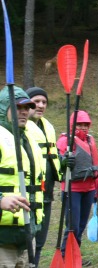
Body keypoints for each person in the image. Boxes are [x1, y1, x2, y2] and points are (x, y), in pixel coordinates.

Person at [0, 86, 44, 267]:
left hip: (27, 233)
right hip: (3, 239)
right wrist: (0, 199)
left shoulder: (29, 140)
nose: (24, 112)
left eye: (27, 108)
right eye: (18, 107)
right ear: (4, 109)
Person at [57, 110, 98, 266]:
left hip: (89, 189)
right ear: (72, 125)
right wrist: (64, 160)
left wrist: (97, 189)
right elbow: (58, 163)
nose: (83, 127)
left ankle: (75, 256)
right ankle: (64, 257)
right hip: (72, 190)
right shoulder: (65, 141)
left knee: (81, 225)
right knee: (73, 226)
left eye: (85, 125)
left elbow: (94, 167)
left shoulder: (90, 140)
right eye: (79, 124)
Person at [25, 87, 62, 266]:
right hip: (27, 195)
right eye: (35, 101)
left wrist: (63, 161)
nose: (40, 105)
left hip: (45, 193)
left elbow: (50, 158)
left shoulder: (47, 127)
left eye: (44, 102)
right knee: (26, 241)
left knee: (40, 241)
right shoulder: (19, 126)